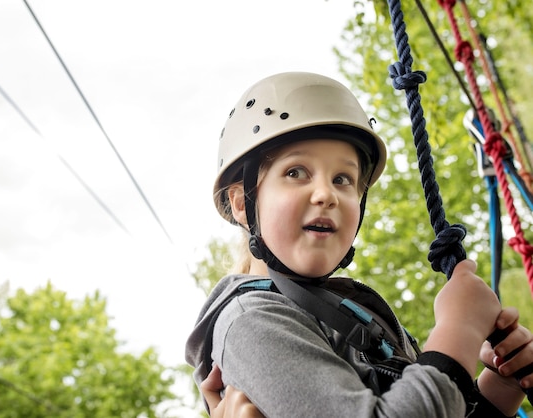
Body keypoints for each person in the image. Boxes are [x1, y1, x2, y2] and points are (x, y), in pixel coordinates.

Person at [185, 71, 533, 417]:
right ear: (243, 204)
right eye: (295, 172)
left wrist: (500, 389)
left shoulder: (339, 319)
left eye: (342, 179)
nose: (326, 195)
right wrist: (458, 332)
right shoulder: (253, 323)